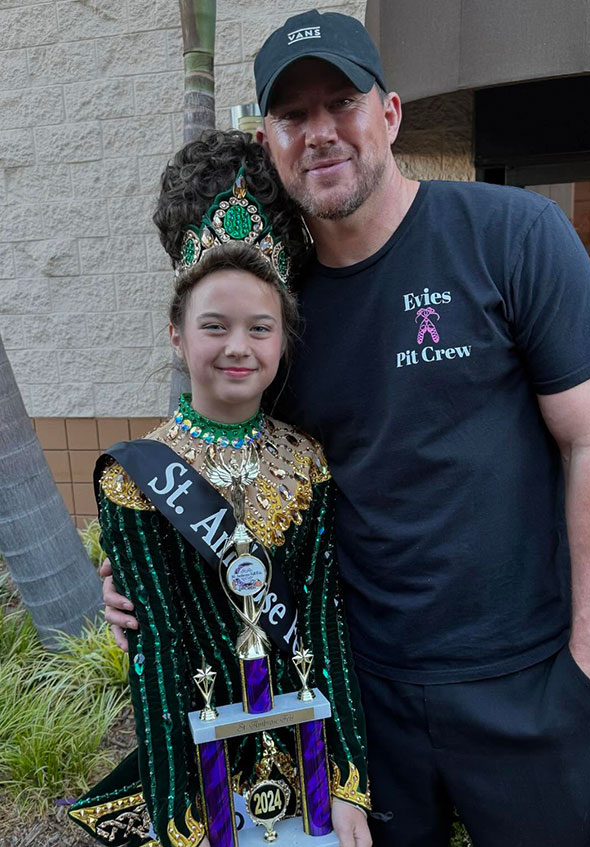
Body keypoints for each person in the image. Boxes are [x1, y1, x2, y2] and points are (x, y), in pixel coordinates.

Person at [104, 10, 590, 847]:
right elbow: (245, 474)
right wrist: (144, 566)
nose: (320, 132)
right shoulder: (278, 318)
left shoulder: (512, 236)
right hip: (366, 697)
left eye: (341, 102)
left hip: (528, 682)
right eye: (293, 115)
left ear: (389, 113)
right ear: (271, 141)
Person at [71, 131, 371, 847]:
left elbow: (325, 624)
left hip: (306, 770)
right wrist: (185, 820)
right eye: (214, 326)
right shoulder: (136, 476)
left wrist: (347, 781)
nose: (238, 345)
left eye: (259, 327)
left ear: (282, 339)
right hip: (203, 780)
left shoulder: (308, 462)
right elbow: (157, 655)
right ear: (178, 334)